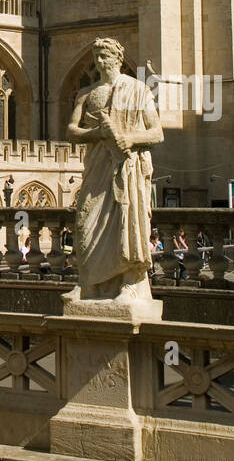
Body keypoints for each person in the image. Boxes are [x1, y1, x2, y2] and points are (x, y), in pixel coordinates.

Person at [66, 36, 163, 304]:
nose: (99, 62)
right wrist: (97, 132)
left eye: (104, 56)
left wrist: (130, 139)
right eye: (96, 57)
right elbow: (72, 131)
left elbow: (157, 132)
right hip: (97, 167)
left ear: (117, 58)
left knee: (127, 222)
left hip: (127, 168)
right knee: (86, 221)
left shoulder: (138, 89)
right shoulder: (87, 93)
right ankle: (88, 283)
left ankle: (129, 283)